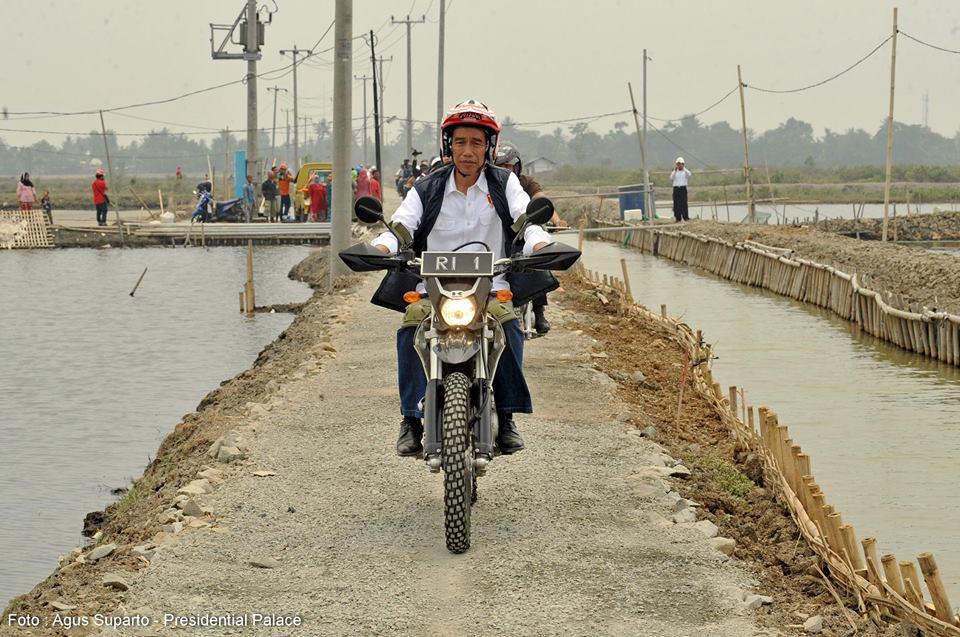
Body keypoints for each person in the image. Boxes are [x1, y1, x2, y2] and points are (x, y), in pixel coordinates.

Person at [372, 99, 552, 456]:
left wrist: (541, 243)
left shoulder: (504, 185)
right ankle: (411, 418)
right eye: (460, 142)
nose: (468, 151)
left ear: (489, 147)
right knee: (411, 327)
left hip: (491, 286)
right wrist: (382, 246)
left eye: (476, 142)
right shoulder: (427, 188)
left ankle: (507, 414)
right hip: (433, 287)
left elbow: (525, 221)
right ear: (447, 145)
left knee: (509, 327)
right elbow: (401, 225)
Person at [495, 140, 566, 334]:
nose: (506, 170)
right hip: (497, 236)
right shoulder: (488, 183)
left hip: (522, 233)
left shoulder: (526, 182)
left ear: (517, 166)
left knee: (535, 264)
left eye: (510, 166)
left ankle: (539, 311)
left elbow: (541, 200)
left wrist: (556, 220)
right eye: (501, 166)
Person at [670, 157, 691, 222]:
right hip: (676, 189)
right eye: (678, 164)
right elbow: (671, 177)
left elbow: (689, 174)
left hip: (683, 189)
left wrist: (683, 168)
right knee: (676, 204)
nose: (680, 165)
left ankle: (686, 217)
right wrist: (675, 170)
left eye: (681, 164)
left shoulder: (685, 172)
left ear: (683, 164)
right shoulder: (675, 172)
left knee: (684, 203)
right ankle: (678, 218)